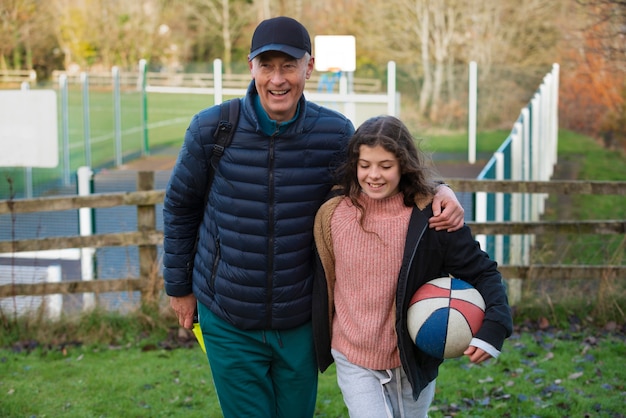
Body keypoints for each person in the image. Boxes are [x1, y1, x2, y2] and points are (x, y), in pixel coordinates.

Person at [162, 17, 465, 418]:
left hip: (302, 320)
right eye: (266, 66)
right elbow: (180, 207)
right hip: (228, 315)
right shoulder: (211, 129)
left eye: (288, 65)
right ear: (251, 68)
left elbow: (384, 172)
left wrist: (438, 189)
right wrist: (179, 287)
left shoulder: (335, 133)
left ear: (309, 66)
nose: (277, 79)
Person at [312, 115, 513, 417]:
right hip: (352, 355)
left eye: (385, 165)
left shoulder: (432, 217)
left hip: (411, 359)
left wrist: (494, 327)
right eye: (364, 165)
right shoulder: (333, 212)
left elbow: (482, 272)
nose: (373, 175)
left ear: (404, 164)